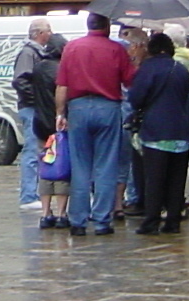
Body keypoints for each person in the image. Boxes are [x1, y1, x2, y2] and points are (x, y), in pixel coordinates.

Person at [54, 12, 136, 235]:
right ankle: (101, 220)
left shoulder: (72, 48)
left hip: (78, 107)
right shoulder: (116, 49)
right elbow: (130, 80)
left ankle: (78, 221)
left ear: (88, 25)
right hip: (108, 107)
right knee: (106, 166)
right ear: (107, 26)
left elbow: (62, 85)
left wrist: (60, 114)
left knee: (80, 166)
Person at [127, 32, 189, 233]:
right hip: (181, 132)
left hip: (155, 131)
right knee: (176, 178)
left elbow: (136, 98)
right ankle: (173, 220)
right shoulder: (181, 70)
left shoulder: (147, 69)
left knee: (154, 179)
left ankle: (152, 220)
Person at [11, 20, 62, 213]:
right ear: (40, 33)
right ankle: (28, 195)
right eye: (49, 31)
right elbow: (20, 80)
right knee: (32, 151)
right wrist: (38, 98)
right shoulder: (29, 53)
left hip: (34, 107)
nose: (51, 34)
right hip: (31, 108)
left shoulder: (36, 52)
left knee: (38, 151)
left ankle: (34, 192)